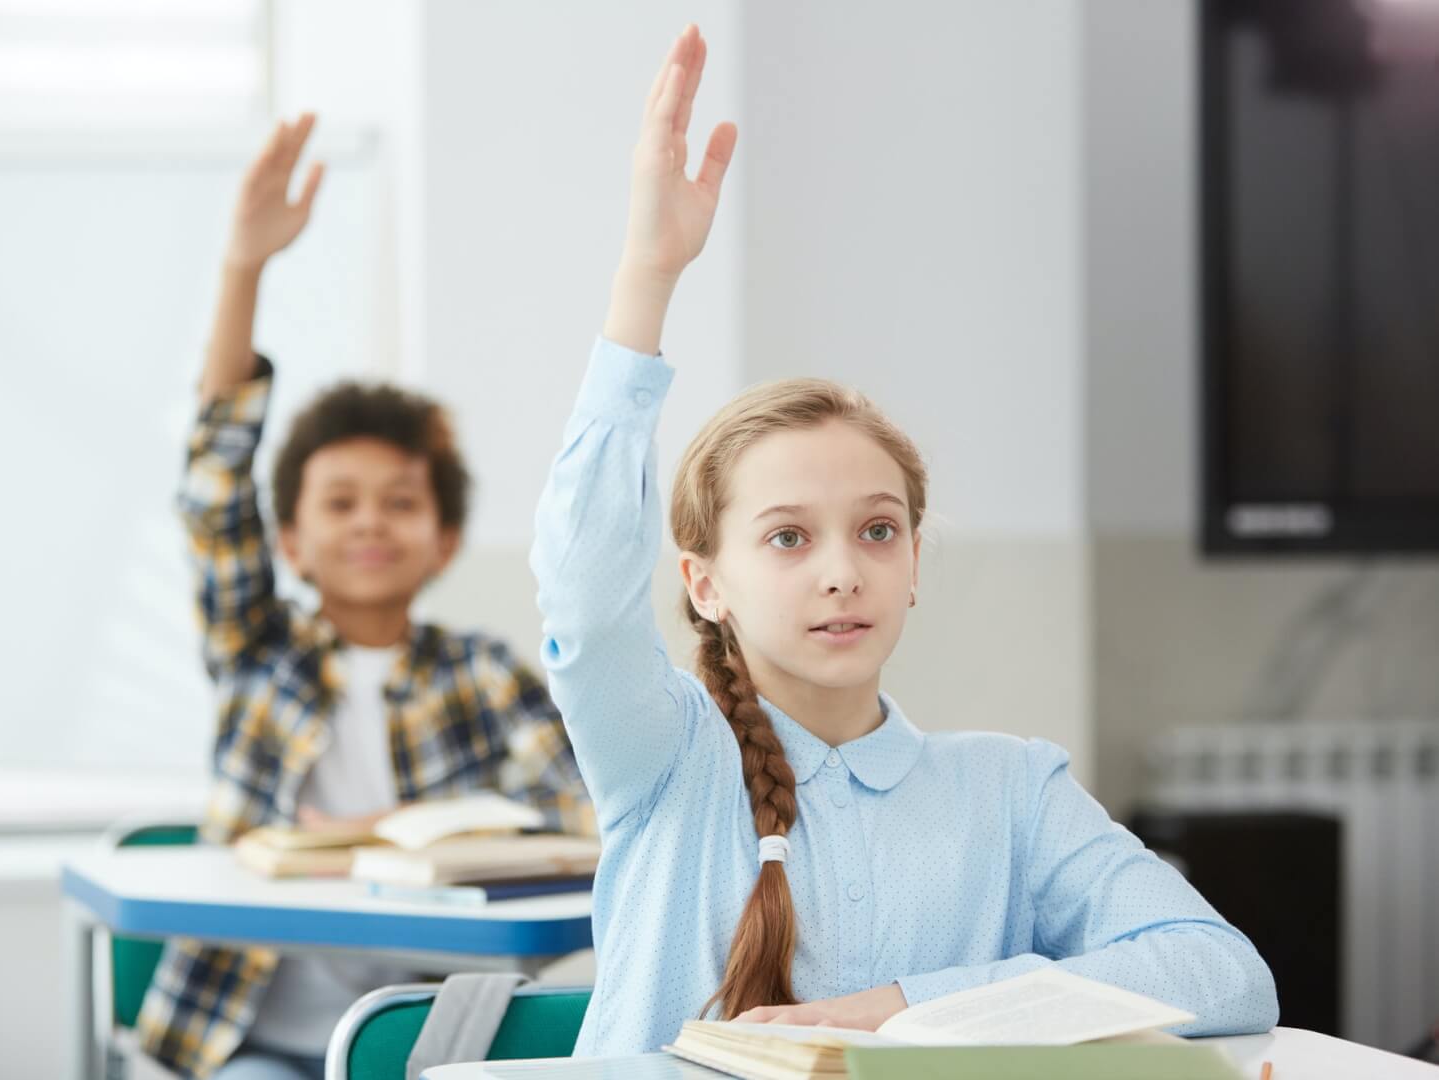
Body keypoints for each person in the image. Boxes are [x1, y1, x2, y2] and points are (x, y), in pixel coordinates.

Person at [530, 25, 1279, 1057]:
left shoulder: (1010, 791)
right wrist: (645, 281)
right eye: (788, 539)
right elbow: (581, 600)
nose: (844, 572)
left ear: (915, 560)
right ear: (706, 584)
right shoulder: (667, 758)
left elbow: (1223, 972)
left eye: (878, 530)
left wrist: (908, 1006)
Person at [137, 113, 592, 1080]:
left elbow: (577, 816)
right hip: (252, 1034)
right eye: (340, 503)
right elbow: (214, 494)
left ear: (446, 540)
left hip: (426, 1041)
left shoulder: (483, 673)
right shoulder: (258, 654)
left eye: (401, 502)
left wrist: (414, 842)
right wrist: (243, 268)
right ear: (291, 543)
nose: (371, 523)